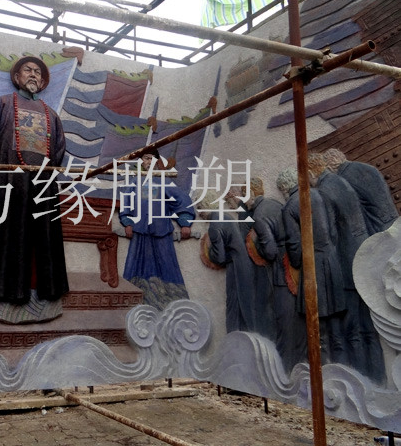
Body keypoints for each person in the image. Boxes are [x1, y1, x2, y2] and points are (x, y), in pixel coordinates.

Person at [0, 56, 68, 324]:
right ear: (17, 77)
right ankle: (3, 297)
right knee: (8, 237)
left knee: (44, 239)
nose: (33, 74)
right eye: (28, 70)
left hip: (43, 185)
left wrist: (43, 174)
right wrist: (2, 171)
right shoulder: (0, 105)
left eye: (38, 72)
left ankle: (43, 297)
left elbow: (58, 150)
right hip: (9, 183)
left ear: (43, 81)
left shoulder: (51, 115)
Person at [308, 153, 385, 383]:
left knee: (352, 329)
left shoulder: (323, 192)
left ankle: (361, 379)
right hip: (361, 256)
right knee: (368, 328)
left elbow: (329, 235)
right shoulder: (341, 182)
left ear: (311, 172)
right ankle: (377, 377)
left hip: (345, 263)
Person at [276, 167, 347, 367]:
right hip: (331, 260)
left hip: (312, 267)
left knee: (318, 329)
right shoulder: (318, 194)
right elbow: (333, 229)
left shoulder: (290, 206)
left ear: (284, 187)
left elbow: (294, 244)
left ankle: (324, 372)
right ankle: (342, 368)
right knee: (336, 326)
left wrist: (297, 264)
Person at [118, 148, 195, 310]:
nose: (148, 161)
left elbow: (181, 200)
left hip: (161, 231)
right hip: (139, 231)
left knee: (167, 265)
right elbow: (126, 203)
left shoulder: (164, 182)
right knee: (135, 266)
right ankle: (132, 301)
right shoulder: (135, 182)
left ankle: (173, 303)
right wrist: (127, 222)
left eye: (151, 158)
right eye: (145, 158)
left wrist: (185, 222)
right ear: (141, 162)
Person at [245, 177, 306, 372]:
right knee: (298, 321)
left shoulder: (259, 215)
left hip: (282, 271)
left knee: (284, 322)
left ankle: (285, 369)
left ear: (251, 194)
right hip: (296, 266)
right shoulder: (274, 203)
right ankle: (300, 363)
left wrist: (258, 250)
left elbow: (270, 252)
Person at [197, 190, 258, 334]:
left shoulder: (214, 226)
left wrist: (208, 251)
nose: (199, 213)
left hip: (235, 268)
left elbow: (220, 258)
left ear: (207, 206)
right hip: (244, 264)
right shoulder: (225, 217)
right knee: (245, 306)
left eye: (199, 208)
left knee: (234, 305)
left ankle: (233, 338)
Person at [323, 148, 398, 235]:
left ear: (329, 167)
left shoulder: (343, 181)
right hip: (393, 219)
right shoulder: (367, 167)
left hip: (377, 229)